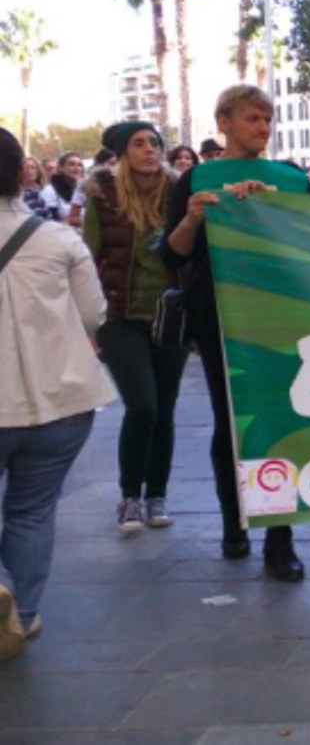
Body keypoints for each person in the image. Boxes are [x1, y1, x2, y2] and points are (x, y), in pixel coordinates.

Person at [160, 85, 310, 581]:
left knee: (277, 424)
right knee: (230, 423)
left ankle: (279, 535)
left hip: (283, 317)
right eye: (253, 118)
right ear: (223, 122)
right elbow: (171, 254)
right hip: (218, 315)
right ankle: (235, 523)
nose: (262, 128)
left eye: (268, 119)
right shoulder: (195, 178)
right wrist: (194, 218)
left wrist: (274, 210)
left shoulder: (291, 179)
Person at [0, 126, 116, 660]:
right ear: (23, 173)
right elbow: (94, 314)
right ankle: (20, 614)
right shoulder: (59, 240)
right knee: (31, 511)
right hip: (62, 401)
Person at [82, 122, 189, 535]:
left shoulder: (179, 193)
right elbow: (87, 257)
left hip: (170, 316)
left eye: (155, 143)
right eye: (139, 144)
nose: (150, 150)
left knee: (164, 409)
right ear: (122, 154)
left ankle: (156, 494)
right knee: (142, 406)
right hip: (120, 318)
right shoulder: (103, 197)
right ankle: (130, 497)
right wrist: (89, 323)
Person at [39, 151, 83, 224]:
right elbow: (49, 223)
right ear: (61, 168)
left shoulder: (84, 189)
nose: (76, 168)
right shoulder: (50, 191)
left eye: (79, 165)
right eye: (71, 164)